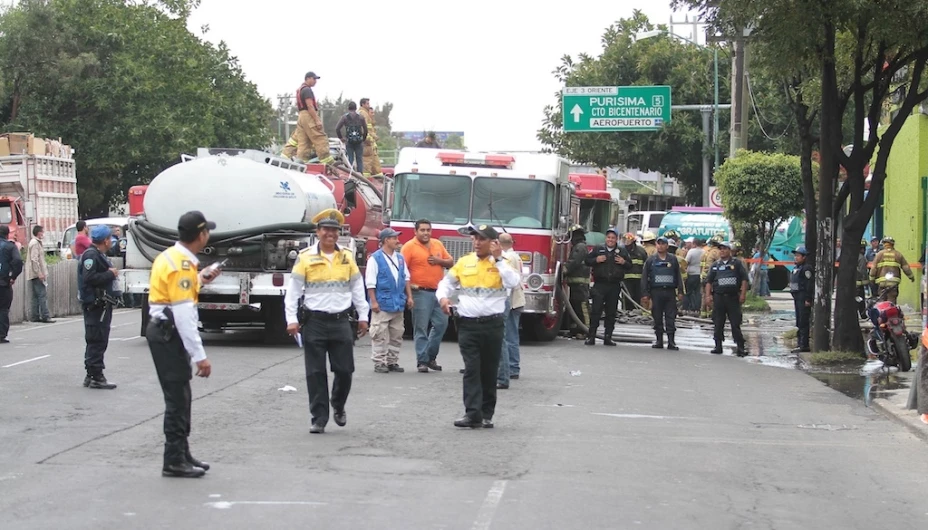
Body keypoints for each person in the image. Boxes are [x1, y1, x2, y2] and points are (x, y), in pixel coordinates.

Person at [146, 211, 219, 478]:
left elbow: (174, 293)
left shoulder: (171, 257)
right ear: (201, 235)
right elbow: (184, 315)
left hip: (164, 329)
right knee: (177, 398)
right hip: (169, 332)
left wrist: (201, 279)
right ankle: (174, 459)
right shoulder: (182, 265)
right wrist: (200, 356)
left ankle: (182, 452)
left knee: (181, 395)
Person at [285, 209, 370, 434]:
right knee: (315, 373)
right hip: (315, 321)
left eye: (334, 230)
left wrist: (363, 316)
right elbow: (293, 292)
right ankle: (319, 418)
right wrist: (291, 319)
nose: (330, 234)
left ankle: (338, 404)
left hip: (341, 321)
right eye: (326, 229)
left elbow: (357, 288)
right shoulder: (305, 257)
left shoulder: (347, 257)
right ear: (318, 232)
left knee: (345, 370)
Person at [437, 224, 520, 429]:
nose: (476, 242)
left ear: (493, 243)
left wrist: (498, 260)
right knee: (472, 369)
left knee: (489, 370)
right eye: (475, 239)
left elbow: (513, 282)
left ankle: (486, 414)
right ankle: (472, 414)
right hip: (468, 324)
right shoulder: (465, 262)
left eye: (481, 239)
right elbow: (446, 283)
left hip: (492, 325)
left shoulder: (504, 263)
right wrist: (443, 298)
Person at [401, 219, 454, 373]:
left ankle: (430, 356)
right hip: (420, 292)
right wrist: (408, 295)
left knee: (441, 324)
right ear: (415, 232)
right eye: (422, 230)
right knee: (421, 328)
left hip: (438, 293)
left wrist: (439, 261)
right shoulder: (409, 247)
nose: (426, 233)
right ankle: (422, 361)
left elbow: (450, 262)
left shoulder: (437, 244)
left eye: (428, 230)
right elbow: (402, 271)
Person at [366, 228, 413, 374]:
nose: (397, 241)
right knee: (379, 334)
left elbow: (406, 278)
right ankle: (379, 362)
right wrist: (373, 302)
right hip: (383, 303)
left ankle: (392, 361)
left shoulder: (400, 258)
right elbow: (370, 283)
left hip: (398, 303)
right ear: (386, 240)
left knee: (397, 334)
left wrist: (409, 297)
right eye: (394, 238)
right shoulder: (375, 259)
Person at [78, 225, 120, 388]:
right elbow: (89, 277)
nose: (111, 242)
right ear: (105, 240)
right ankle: (97, 376)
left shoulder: (97, 254)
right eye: (110, 239)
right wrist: (110, 274)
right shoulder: (91, 255)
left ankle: (91, 374)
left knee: (95, 339)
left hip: (100, 304)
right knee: (97, 339)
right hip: (96, 305)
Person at [584, 228, 632, 346]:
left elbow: (630, 265)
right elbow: (587, 260)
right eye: (609, 237)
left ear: (617, 239)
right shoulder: (598, 249)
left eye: (613, 238)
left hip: (614, 286)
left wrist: (623, 262)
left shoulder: (622, 251)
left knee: (611, 312)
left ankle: (608, 337)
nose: (610, 240)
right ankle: (591, 336)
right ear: (606, 238)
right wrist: (596, 260)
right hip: (600, 285)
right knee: (596, 311)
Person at [704, 241, 749, 356]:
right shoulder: (715, 265)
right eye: (721, 249)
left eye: (724, 249)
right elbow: (708, 281)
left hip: (733, 298)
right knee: (718, 322)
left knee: (735, 323)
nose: (722, 251)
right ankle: (718, 345)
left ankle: (740, 347)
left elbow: (744, 279)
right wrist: (708, 296)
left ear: (730, 250)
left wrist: (743, 294)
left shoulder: (737, 263)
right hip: (719, 298)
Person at [641, 237, 685, 350]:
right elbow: (645, 278)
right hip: (656, 292)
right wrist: (645, 294)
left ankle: (671, 341)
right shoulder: (651, 260)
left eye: (663, 244)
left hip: (669, 292)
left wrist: (680, 291)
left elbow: (678, 276)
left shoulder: (673, 259)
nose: (660, 246)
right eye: (659, 244)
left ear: (667, 246)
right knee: (657, 316)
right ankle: (659, 340)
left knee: (671, 317)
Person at [286, 72, 333, 165]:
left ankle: (301, 163)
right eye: (314, 79)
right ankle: (328, 163)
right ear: (307, 79)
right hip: (308, 115)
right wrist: (317, 120)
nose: (315, 81)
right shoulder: (307, 90)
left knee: (304, 142)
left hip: (301, 117)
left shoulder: (300, 89)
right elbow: (310, 106)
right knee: (320, 138)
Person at [496, 233, 524, 389]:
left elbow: (511, 282)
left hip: (512, 301)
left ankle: (513, 367)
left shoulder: (508, 258)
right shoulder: (515, 256)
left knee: (509, 335)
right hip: (516, 300)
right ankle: (512, 367)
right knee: (511, 334)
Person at [564, 225, 591, 339]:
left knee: (582, 306)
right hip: (575, 283)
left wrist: (564, 269)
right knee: (574, 306)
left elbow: (574, 261)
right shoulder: (578, 246)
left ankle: (586, 330)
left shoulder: (580, 247)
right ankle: (575, 330)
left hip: (580, 283)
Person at [869, 236, 914, 303]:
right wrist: (911, 277)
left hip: (882, 283)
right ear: (893, 244)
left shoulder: (879, 254)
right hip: (893, 284)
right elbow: (906, 267)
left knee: (882, 302)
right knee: (891, 302)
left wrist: (872, 280)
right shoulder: (898, 254)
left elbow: (873, 269)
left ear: (884, 244)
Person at [26, 225, 54, 323]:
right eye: (42, 232)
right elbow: (34, 259)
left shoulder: (34, 242)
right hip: (37, 274)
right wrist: (39, 273)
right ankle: (45, 316)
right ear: (39, 233)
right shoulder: (35, 243)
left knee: (35, 296)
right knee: (42, 295)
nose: (43, 234)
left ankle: (35, 316)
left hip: (33, 273)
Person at [789, 246, 814, 353]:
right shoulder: (797, 268)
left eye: (798, 255)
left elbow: (809, 284)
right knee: (799, 322)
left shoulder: (806, 268)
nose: (796, 257)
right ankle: (800, 343)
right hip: (797, 297)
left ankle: (804, 345)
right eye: (795, 255)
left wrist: (808, 299)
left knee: (803, 322)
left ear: (804, 257)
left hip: (803, 298)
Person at [0, 225, 23, 343]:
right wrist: (13, 276)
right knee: (3, 308)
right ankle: (1, 334)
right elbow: (18, 261)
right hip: (3, 282)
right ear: (7, 234)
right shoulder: (10, 247)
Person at [335, 101, 368, 173]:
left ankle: (350, 174)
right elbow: (366, 130)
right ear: (356, 108)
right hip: (359, 141)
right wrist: (363, 139)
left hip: (349, 141)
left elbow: (337, 128)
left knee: (350, 159)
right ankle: (360, 175)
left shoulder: (344, 117)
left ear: (348, 108)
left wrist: (341, 138)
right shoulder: (361, 117)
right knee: (359, 159)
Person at [622, 232, 647, 310]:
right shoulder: (622, 251)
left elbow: (646, 265)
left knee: (637, 298)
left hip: (639, 280)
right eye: (625, 240)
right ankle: (627, 312)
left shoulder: (641, 251)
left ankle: (637, 312)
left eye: (628, 240)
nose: (626, 242)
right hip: (626, 280)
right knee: (627, 299)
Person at [358, 98, 383, 176]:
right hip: (367, 144)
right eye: (367, 104)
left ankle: (377, 178)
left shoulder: (365, 114)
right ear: (363, 104)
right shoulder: (363, 114)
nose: (369, 105)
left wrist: (374, 137)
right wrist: (369, 139)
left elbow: (369, 130)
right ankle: (366, 179)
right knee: (367, 164)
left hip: (370, 145)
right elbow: (364, 129)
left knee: (375, 166)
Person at [684, 238, 705, 313]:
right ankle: (697, 309)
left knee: (688, 292)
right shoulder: (704, 251)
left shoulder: (691, 251)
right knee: (697, 292)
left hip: (691, 274)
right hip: (699, 274)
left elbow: (686, 262)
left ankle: (686, 308)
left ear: (694, 244)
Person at [856, 240, 870, 319]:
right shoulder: (861, 258)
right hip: (858, 284)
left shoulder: (852, 256)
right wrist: (867, 282)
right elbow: (862, 271)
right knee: (860, 299)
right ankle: (862, 314)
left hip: (853, 284)